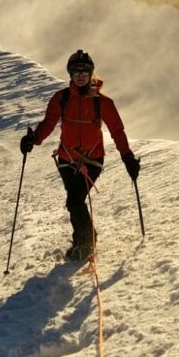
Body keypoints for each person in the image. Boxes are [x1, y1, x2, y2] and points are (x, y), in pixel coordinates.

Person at [20, 49, 140, 261]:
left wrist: (127, 158)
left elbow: (117, 131)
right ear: (70, 75)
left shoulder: (102, 102)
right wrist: (33, 139)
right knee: (74, 200)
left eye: (84, 71)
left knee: (75, 200)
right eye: (76, 72)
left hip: (92, 160)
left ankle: (86, 242)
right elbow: (48, 124)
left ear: (91, 72)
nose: (81, 75)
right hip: (67, 160)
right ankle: (82, 238)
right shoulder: (62, 98)